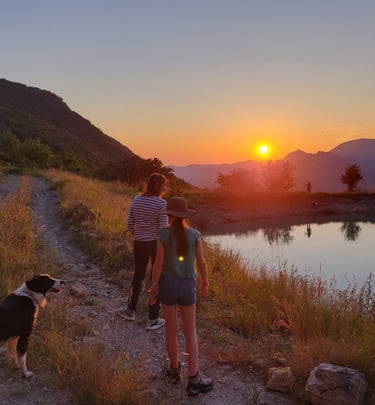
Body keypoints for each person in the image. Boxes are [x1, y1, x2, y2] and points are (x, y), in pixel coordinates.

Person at [148, 196, 214, 396]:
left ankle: (174, 370)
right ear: (185, 215)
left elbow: (158, 265)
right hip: (187, 286)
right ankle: (194, 378)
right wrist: (205, 282)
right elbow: (201, 263)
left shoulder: (163, 235)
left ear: (169, 215)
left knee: (171, 331)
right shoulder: (194, 235)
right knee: (190, 332)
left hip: (168, 285)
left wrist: (153, 288)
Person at [117, 173, 168, 330]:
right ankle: (153, 318)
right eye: (164, 185)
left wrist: (140, 236)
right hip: (156, 244)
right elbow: (163, 230)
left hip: (139, 243)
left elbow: (130, 224)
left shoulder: (136, 199)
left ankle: (130, 310)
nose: (165, 188)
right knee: (155, 278)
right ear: (160, 186)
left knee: (138, 276)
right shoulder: (161, 204)